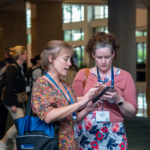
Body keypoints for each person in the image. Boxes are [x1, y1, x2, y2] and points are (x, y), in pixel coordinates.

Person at [72, 32, 138, 150]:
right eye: (99, 57)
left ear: (113, 54)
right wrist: (90, 96)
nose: (103, 62)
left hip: (114, 131)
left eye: (107, 57)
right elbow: (72, 105)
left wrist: (118, 99)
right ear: (93, 55)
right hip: (87, 129)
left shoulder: (125, 76)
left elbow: (131, 113)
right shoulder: (83, 74)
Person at [31, 40, 102, 149]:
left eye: (70, 59)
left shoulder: (66, 85)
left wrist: (87, 109)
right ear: (51, 59)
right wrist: (80, 103)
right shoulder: (42, 84)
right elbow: (48, 116)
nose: (70, 63)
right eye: (65, 59)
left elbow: (72, 119)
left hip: (71, 143)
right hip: (54, 144)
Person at [0, 45, 28, 150]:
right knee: (21, 123)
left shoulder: (20, 67)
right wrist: (12, 104)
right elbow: (9, 87)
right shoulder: (12, 67)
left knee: (21, 125)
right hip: (12, 101)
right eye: (25, 53)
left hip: (19, 101)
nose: (27, 55)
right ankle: (3, 142)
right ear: (20, 55)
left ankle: (16, 147)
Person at [0, 47, 13, 139]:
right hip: (13, 92)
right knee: (17, 117)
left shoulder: (1, 64)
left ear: (5, 54)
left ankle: (2, 134)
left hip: (2, 92)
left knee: (2, 114)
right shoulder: (17, 64)